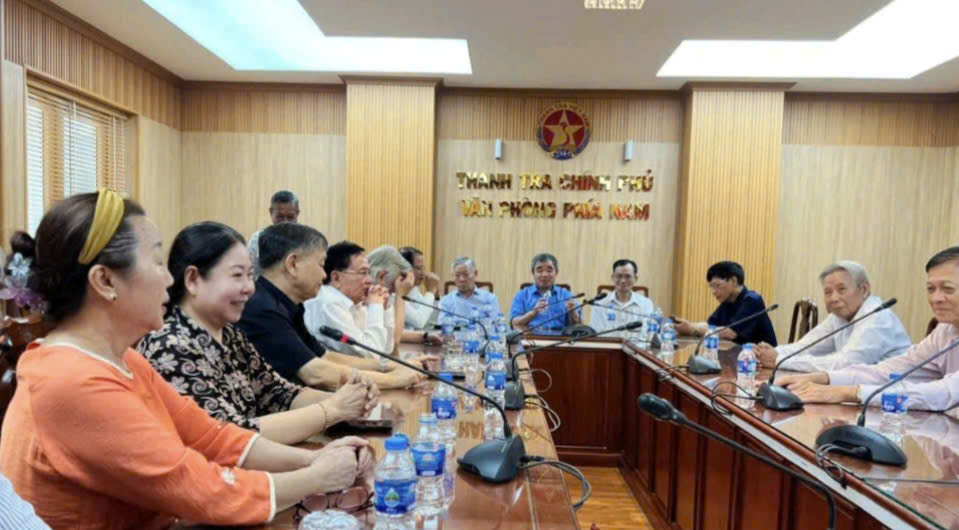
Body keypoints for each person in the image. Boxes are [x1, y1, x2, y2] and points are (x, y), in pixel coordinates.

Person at [0, 190, 372, 529]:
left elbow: (211, 436)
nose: (168, 279)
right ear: (105, 281)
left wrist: (314, 460)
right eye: (156, 262)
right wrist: (316, 477)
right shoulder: (71, 382)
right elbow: (196, 485)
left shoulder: (121, 359)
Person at [138, 221, 375, 446]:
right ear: (193, 280)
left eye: (250, 275)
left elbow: (280, 393)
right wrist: (333, 409)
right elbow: (228, 435)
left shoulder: (230, 336)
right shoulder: (169, 345)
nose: (249, 288)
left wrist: (351, 397)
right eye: (237, 275)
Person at [239, 225, 426, 390]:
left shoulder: (287, 305)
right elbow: (315, 373)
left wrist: (389, 366)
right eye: (321, 265)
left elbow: (324, 357)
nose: (323, 275)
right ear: (293, 264)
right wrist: (393, 379)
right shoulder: (262, 308)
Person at [776, 247, 959, 410]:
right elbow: (886, 371)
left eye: (948, 289)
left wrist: (849, 393)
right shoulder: (944, 331)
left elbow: (944, 393)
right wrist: (825, 378)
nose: (936, 298)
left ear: (863, 289)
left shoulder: (878, 318)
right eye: (931, 289)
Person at [755, 261, 910, 372]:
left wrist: (779, 360)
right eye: (828, 292)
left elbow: (845, 364)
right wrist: (767, 353)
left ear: (863, 289)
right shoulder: (839, 315)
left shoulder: (877, 318)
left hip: (896, 399)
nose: (834, 298)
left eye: (841, 289)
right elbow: (804, 347)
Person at [306, 243, 434, 359]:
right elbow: (370, 354)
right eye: (363, 273)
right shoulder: (330, 303)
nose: (369, 280)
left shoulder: (353, 303)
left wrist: (385, 308)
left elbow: (386, 349)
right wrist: (376, 307)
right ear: (336, 278)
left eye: (368, 272)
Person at [674, 260, 777, 346]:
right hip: (736, 355)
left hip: (760, 359)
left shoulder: (752, 300)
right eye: (711, 287)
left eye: (717, 286)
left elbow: (730, 333)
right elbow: (710, 325)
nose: (714, 292)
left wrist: (693, 329)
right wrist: (688, 325)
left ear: (734, 281)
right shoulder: (728, 301)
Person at [509, 253, 581, 333]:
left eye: (549, 271)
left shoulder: (566, 295)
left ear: (556, 273)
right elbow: (514, 323)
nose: (544, 275)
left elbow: (579, 325)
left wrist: (572, 312)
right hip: (530, 337)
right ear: (533, 273)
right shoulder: (522, 295)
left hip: (561, 338)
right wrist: (533, 312)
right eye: (539, 271)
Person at [589, 259, 654, 333]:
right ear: (613, 277)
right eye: (619, 276)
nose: (623, 280)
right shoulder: (599, 303)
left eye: (628, 276)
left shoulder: (646, 303)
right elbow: (595, 333)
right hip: (608, 341)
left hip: (635, 341)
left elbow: (648, 332)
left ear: (635, 278)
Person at [248, 190, 300, 277]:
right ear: (271, 212)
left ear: (297, 213)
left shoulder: (307, 240)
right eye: (280, 217)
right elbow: (252, 273)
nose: (285, 222)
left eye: (290, 217)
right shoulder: (257, 239)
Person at [438, 256, 500, 323]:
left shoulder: (490, 299)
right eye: (457, 275)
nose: (461, 279)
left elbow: (495, 323)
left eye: (466, 274)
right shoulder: (446, 301)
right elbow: (441, 324)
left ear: (475, 273)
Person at [399, 246, 441, 330]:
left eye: (423, 268)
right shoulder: (394, 292)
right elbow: (419, 322)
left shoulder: (414, 290)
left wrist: (435, 296)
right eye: (418, 268)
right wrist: (430, 292)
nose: (423, 273)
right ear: (404, 268)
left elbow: (431, 322)